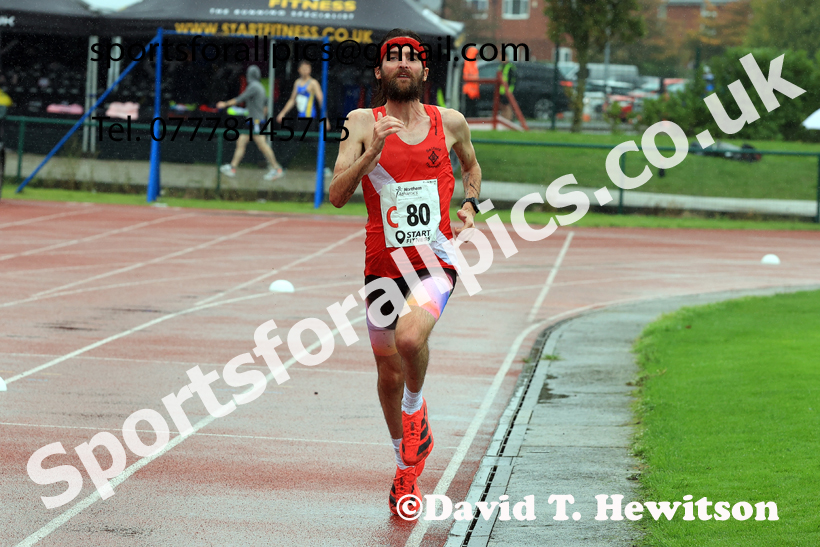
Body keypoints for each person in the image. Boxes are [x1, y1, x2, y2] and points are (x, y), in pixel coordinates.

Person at [328, 28, 482, 518]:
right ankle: (405, 467)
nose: (401, 64)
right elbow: (336, 193)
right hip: (381, 267)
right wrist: (370, 155)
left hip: (435, 260)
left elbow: (473, 170)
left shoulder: (450, 121)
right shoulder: (360, 122)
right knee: (387, 371)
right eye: (391, 59)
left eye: (410, 58)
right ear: (379, 72)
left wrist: (470, 205)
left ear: (424, 71)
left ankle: (417, 413)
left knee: (412, 341)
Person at [218, 65, 284, 181]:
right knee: (241, 142)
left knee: (262, 145)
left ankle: (277, 168)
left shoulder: (253, 86)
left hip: (256, 121)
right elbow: (265, 105)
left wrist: (225, 104)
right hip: (253, 120)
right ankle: (232, 167)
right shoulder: (260, 87)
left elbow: (240, 98)